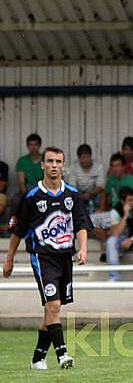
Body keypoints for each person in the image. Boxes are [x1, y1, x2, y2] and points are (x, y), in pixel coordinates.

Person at [2, 146, 92, 370]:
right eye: (49, 161)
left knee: (52, 310)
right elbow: (17, 231)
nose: (54, 165)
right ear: (42, 165)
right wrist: (9, 259)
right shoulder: (31, 197)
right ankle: (63, 354)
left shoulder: (71, 194)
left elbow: (81, 224)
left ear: (63, 165)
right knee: (53, 304)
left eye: (58, 161)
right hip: (42, 258)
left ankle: (37, 358)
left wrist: (83, 249)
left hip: (64, 258)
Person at [105, 187, 133, 282]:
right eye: (130, 200)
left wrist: (132, 239)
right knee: (111, 241)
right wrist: (125, 216)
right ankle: (114, 276)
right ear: (123, 201)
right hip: (122, 239)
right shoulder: (115, 211)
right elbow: (115, 233)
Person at [63, 144, 105, 214]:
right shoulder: (73, 167)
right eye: (83, 158)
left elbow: (100, 186)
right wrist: (81, 196)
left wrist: (90, 193)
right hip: (79, 193)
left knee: (103, 193)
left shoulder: (98, 166)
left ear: (91, 156)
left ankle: (100, 212)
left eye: (87, 157)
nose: (85, 160)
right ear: (79, 158)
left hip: (94, 193)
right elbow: (72, 186)